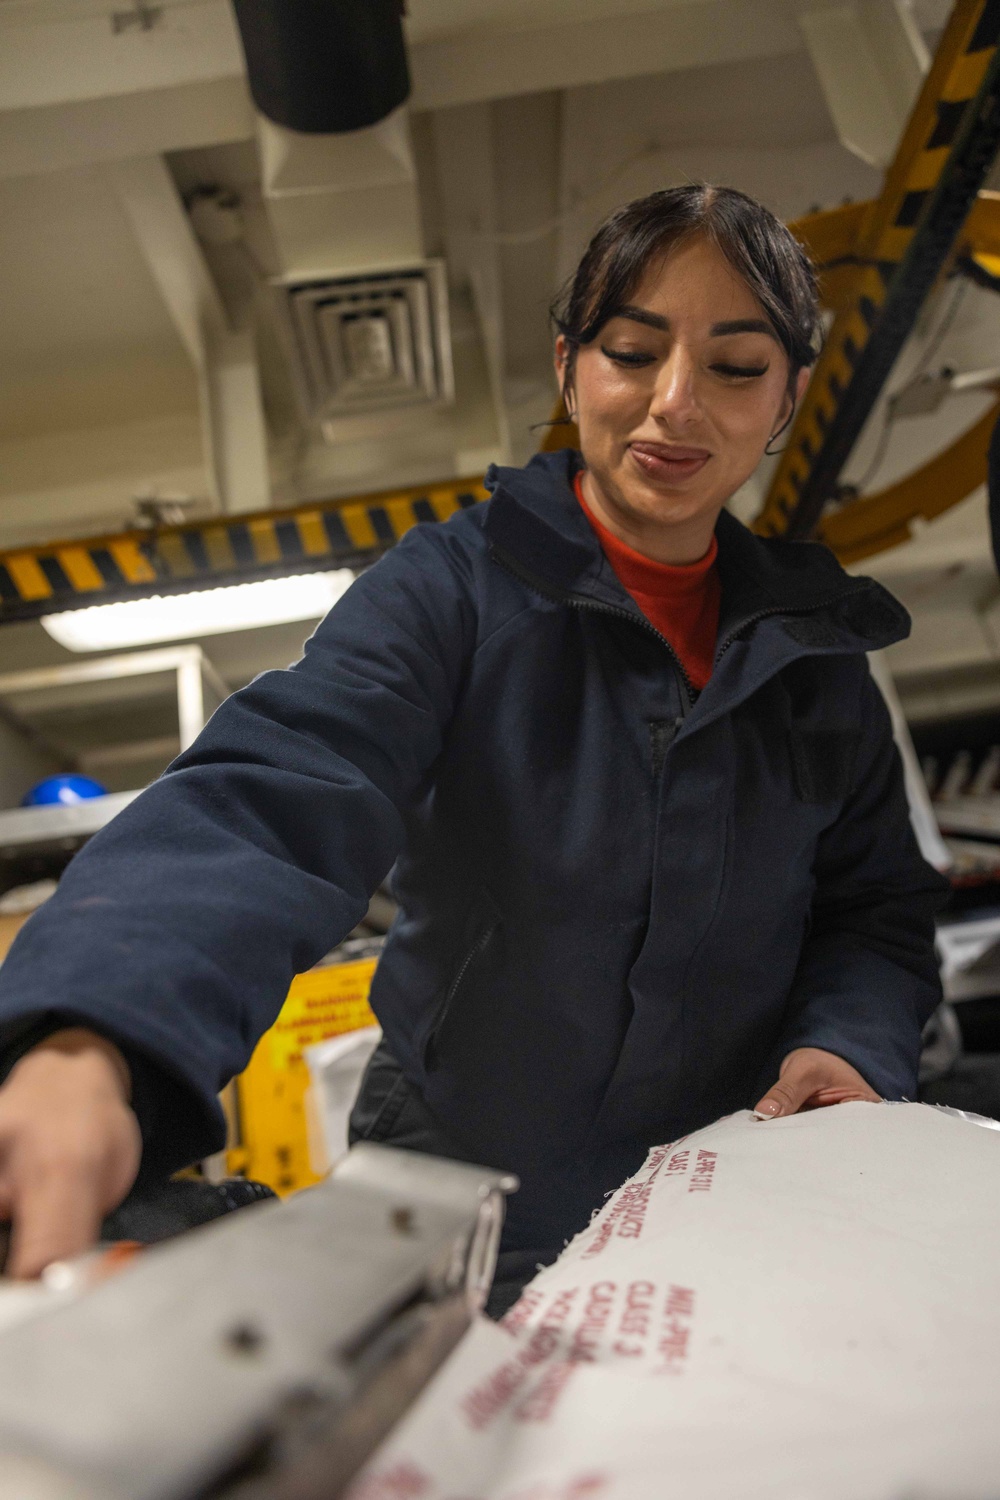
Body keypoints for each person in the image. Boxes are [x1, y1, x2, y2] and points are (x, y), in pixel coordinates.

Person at [0, 185, 946, 1310]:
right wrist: (90, 1034)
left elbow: (872, 914)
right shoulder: (449, 593)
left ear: (788, 396)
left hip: (728, 1193)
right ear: (568, 369)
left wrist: (846, 1045)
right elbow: (275, 800)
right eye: (632, 352)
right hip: (461, 1194)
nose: (674, 404)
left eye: (736, 367)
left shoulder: (817, 664)